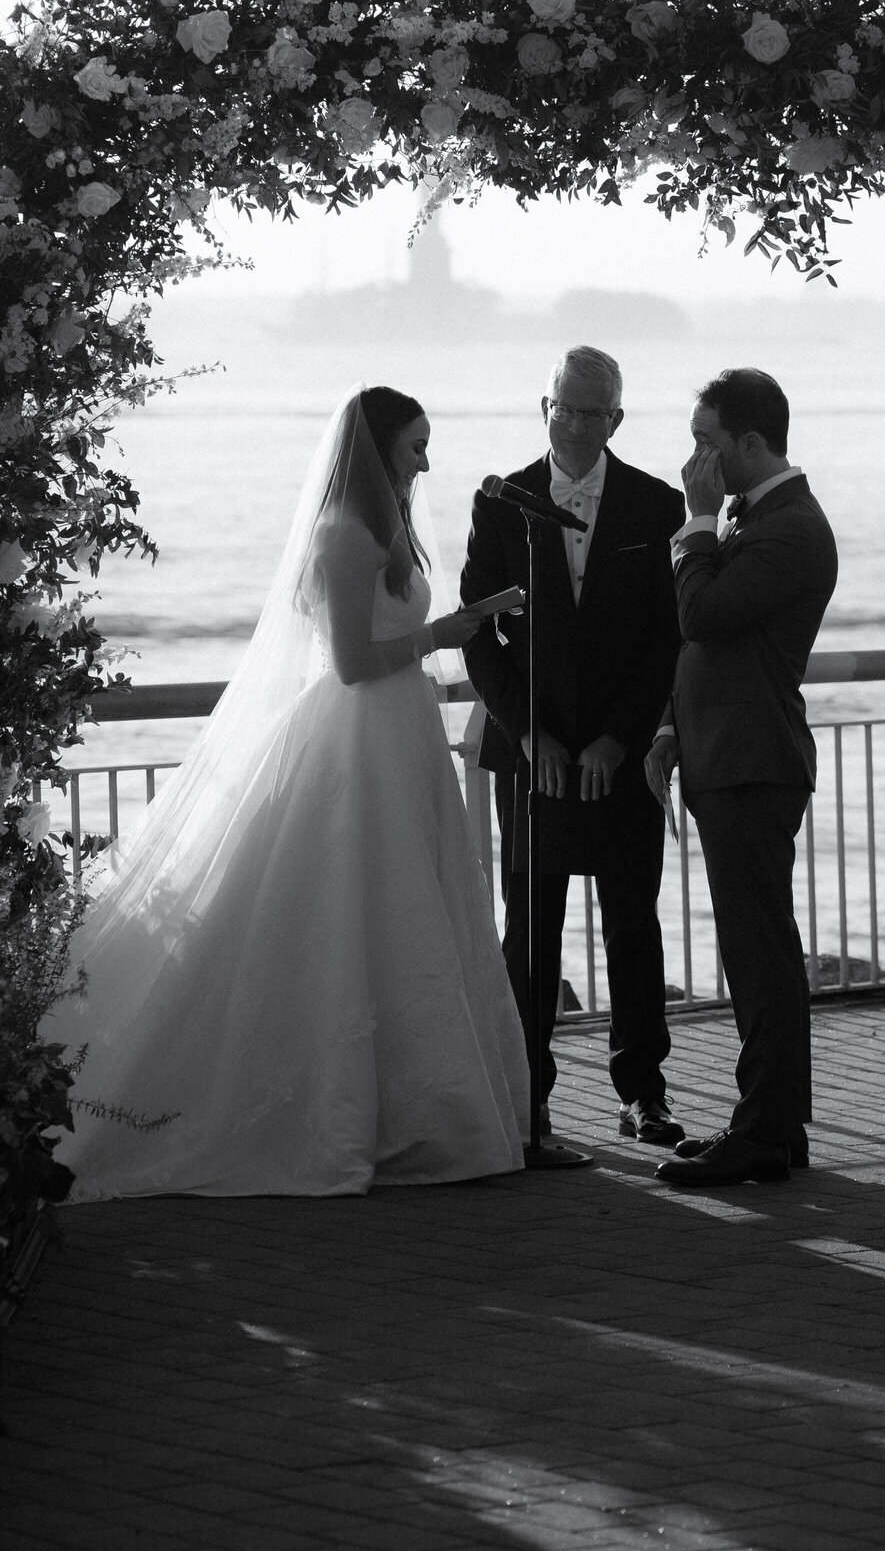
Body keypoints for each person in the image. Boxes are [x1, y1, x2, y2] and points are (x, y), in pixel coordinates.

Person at [51, 387, 530, 1199]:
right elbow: (350, 661)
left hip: (402, 734)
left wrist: (454, 626)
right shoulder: (344, 533)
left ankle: (423, 1108)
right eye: (414, 446)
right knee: (359, 903)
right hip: (360, 736)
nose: (425, 461)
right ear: (378, 449)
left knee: (413, 908)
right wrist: (439, 635)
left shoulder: (388, 526)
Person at [460, 346, 685, 1146]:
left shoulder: (656, 506)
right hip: (534, 760)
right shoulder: (501, 503)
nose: (580, 425)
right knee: (531, 932)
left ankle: (643, 1093)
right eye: (567, 409)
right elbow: (478, 635)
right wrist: (531, 735)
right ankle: (528, 1096)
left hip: (621, 759)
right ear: (544, 408)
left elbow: (668, 640)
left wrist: (620, 740)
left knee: (633, 925)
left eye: (596, 412)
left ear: (616, 419)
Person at [644, 369, 838, 1189]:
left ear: (751, 443)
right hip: (727, 754)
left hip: (754, 760)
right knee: (757, 951)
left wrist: (693, 523)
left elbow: (702, 615)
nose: (695, 459)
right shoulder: (754, 518)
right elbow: (711, 647)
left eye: (706, 441)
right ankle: (775, 1126)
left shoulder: (791, 528)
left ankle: (761, 1131)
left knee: (759, 956)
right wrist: (670, 726)